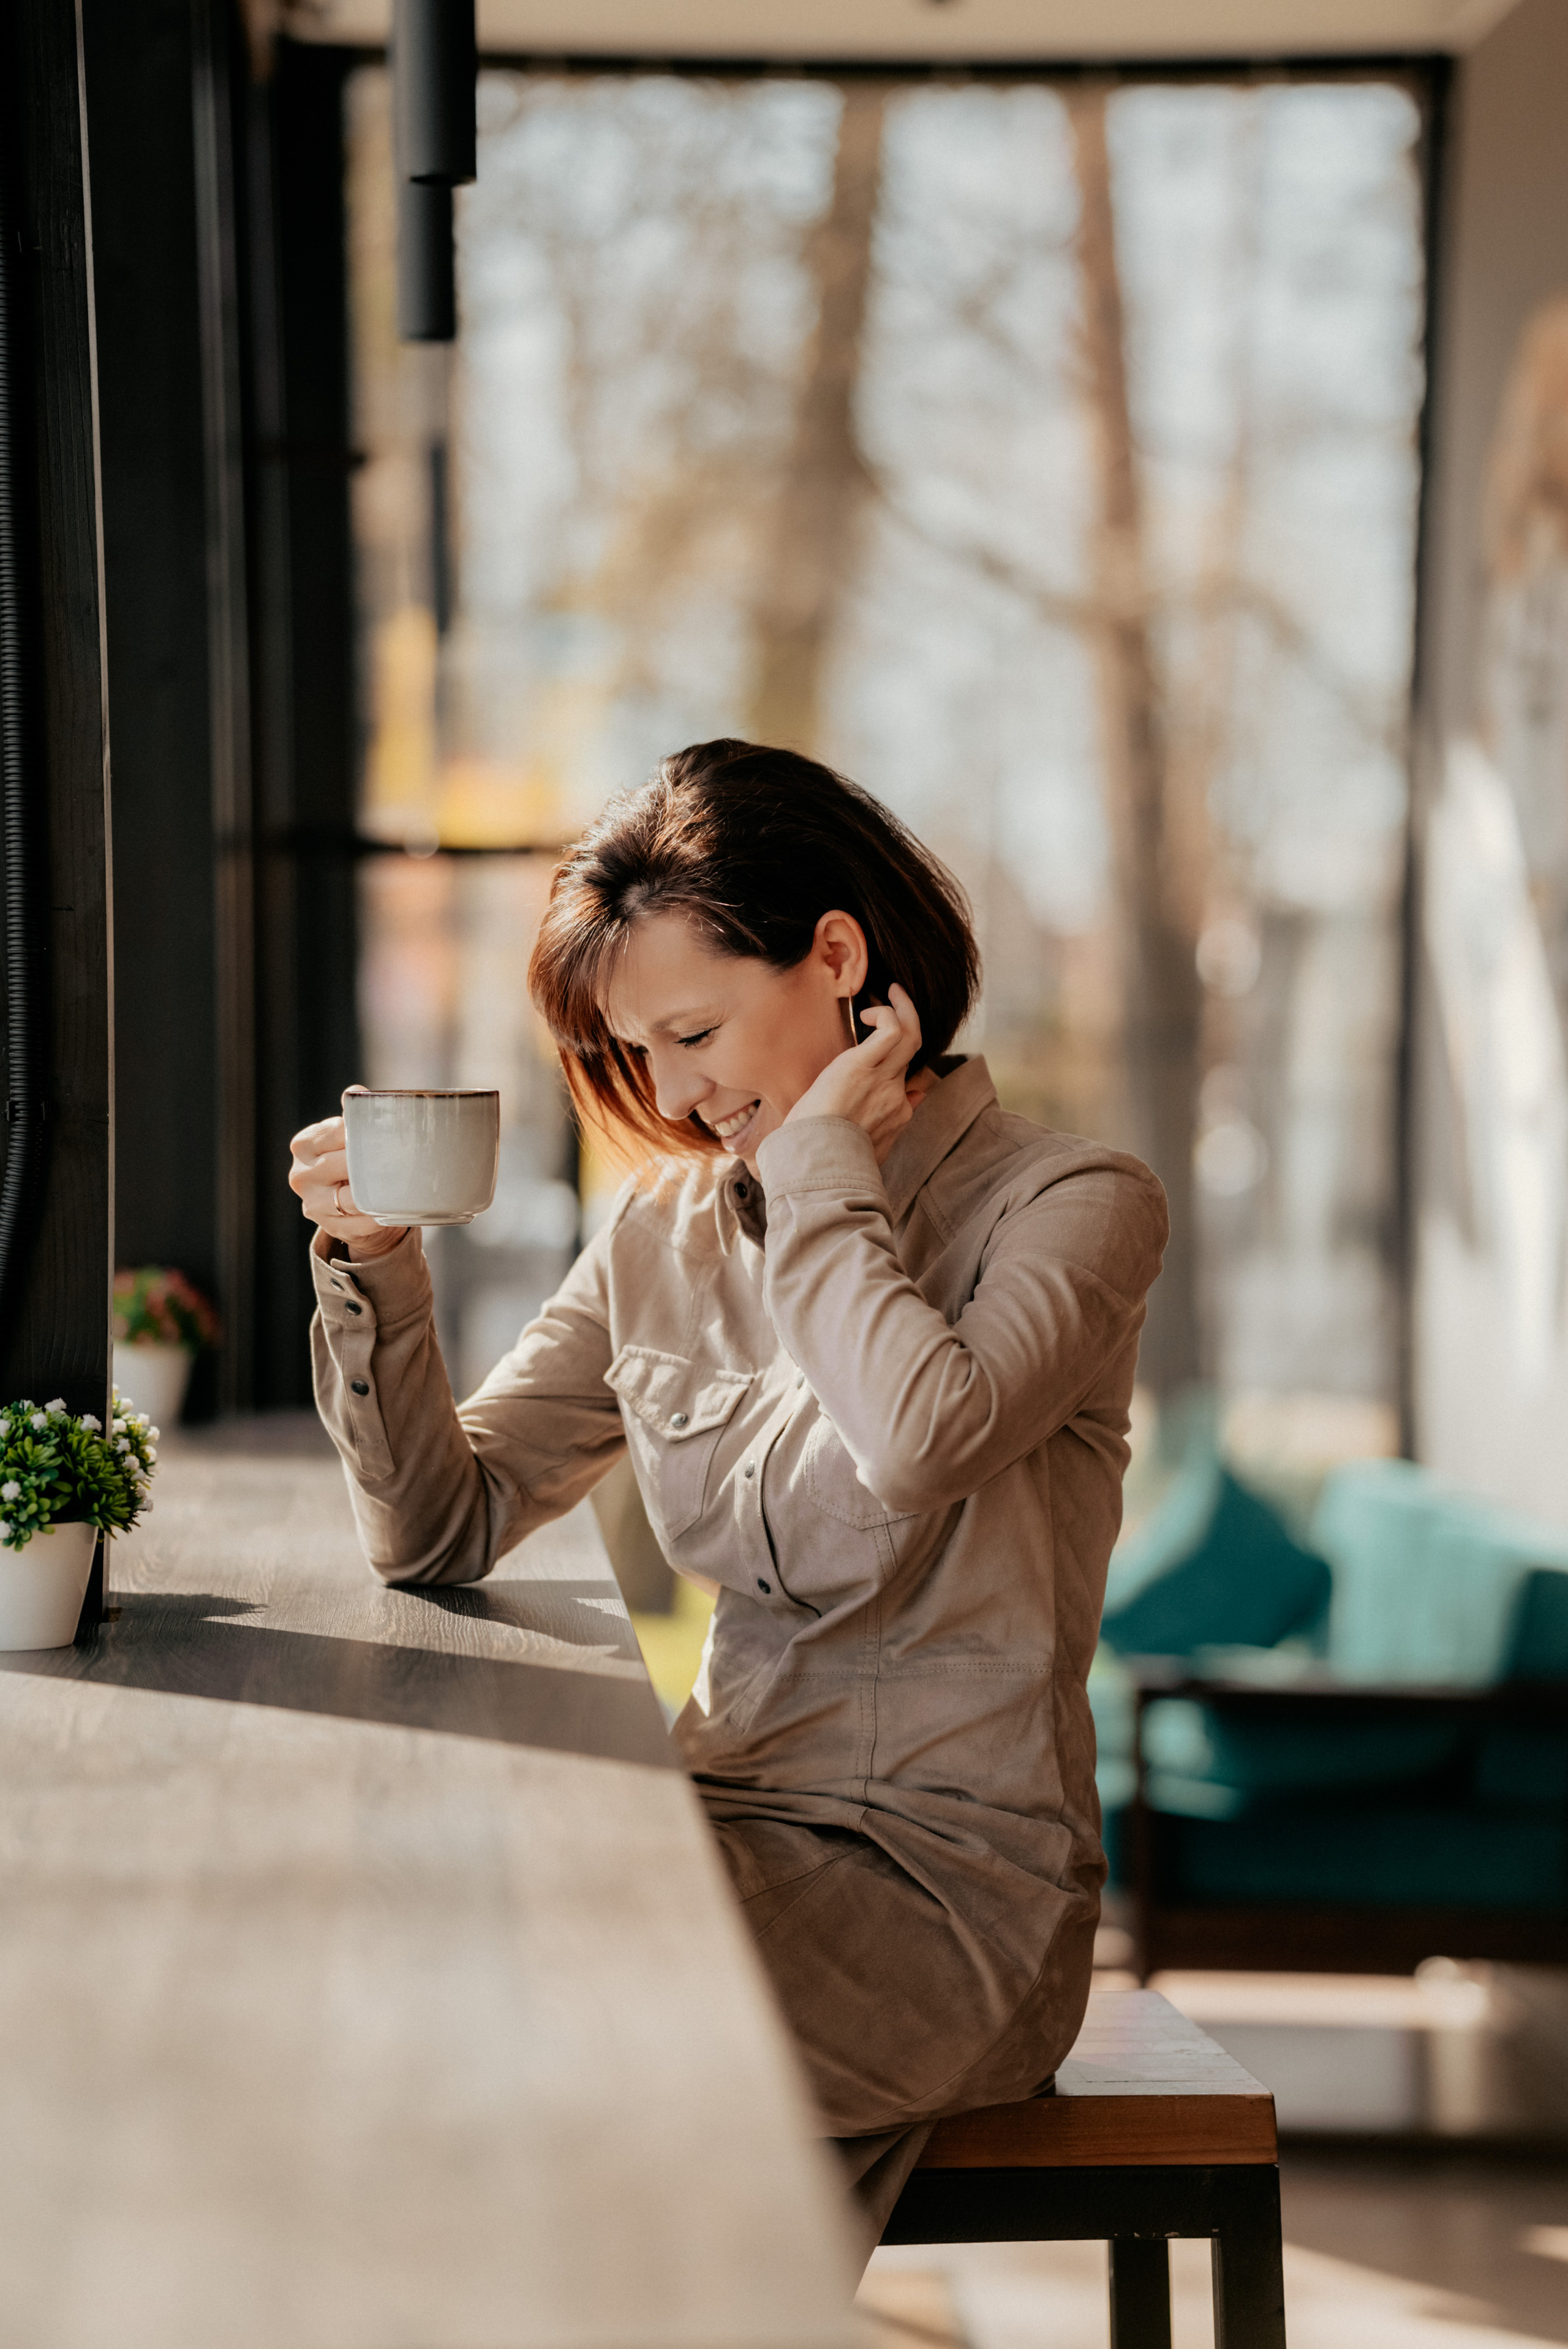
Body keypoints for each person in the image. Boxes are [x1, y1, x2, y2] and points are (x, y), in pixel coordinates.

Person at [288, 738, 1168, 2249]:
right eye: (638, 1052)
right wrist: (373, 1265)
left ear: (837, 959)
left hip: (947, 1904)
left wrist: (821, 1171)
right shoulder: (664, 1235)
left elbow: (915, 1438)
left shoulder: (1072, 1207)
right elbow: (444, 1524)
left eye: (693, 1031)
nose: (674, 1095)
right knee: (403, 1952)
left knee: (513, 2043)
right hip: (711, 1832)